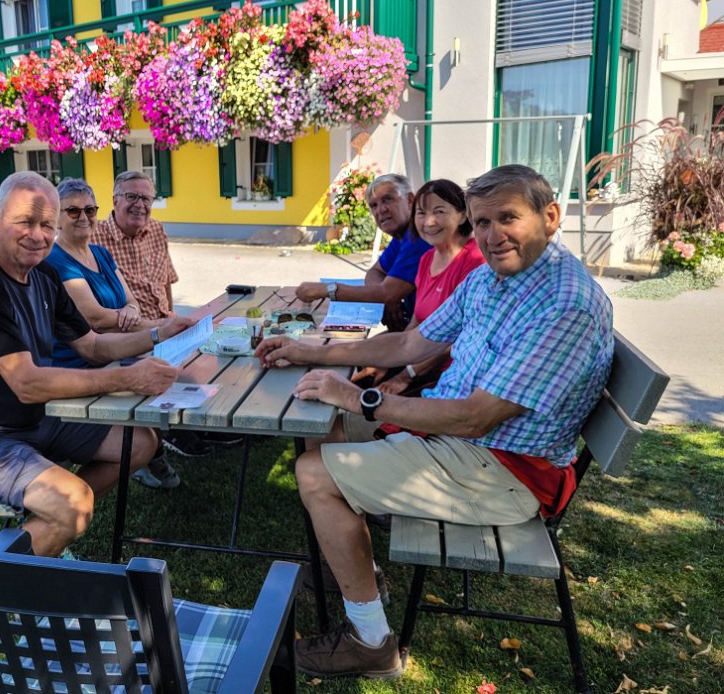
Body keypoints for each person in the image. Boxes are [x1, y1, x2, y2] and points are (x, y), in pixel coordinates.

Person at [255, 164, 614, 679]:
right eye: (483, 222)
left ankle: (370, 641)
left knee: (314, 472)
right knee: (323, 425)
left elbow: (475, 419)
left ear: (550, 217)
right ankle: (360, 568)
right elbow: (411, 342)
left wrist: (362, 398)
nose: (492, 235)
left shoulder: (564, 305)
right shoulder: (492, 278)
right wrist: (310, 351)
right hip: (462, 442)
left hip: (505, 471)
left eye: (508, 218)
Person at [0, 171, 193, 558]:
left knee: (141, 443)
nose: (38, 235)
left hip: (34, 420)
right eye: (25, 222)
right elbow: (27, 383)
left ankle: (48, 523)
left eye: (47, 224)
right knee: (73, 502)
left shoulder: (43, 273)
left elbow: (92, 346)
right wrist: (128, 377)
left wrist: (159, 333)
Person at [93, 170, 240, 479]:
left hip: (164, 324)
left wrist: (171, 316)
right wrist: (160, 329)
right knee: (176, 365)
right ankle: (166, 433)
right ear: (115, 200)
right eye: (131, 197)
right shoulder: (95, 238)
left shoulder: (156, 229)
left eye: (146, 198)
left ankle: (201, 422)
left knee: (226, 346)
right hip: (130, 333)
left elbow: (165, 281)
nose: (140, 205)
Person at [45, 177, 181, 489]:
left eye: (90, 210)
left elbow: (131, 302)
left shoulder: (100, 254)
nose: (84, 217)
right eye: (73, 211)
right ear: (56, 218)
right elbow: (96, 318)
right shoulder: (55, 260)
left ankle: (156, 452)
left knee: (171, 377)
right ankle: (66, 502)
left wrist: (132, 315)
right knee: (148, 420)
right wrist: (156, 327)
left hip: (113, 354)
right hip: (79, 370)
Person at [346, 178, 485, 419]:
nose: (429, 222)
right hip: (419, 360)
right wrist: (388, 361)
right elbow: (415, 324)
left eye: (439, 212)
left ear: (463, 215)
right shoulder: (427, 258)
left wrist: (405, 375)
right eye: (422, 213)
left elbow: (455, 340)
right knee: (347, 377)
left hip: (447, 375)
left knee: (352, 407)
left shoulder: (474, 262)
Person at [295, 173, 431, 331]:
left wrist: (327, 289)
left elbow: (388, 292)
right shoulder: (402, 236)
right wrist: (387, 299)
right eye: (374, 205)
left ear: (410, 200)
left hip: (431, 337)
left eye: (388, 199)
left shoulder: (419, 237)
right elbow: (375, 272)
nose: (381, 210)